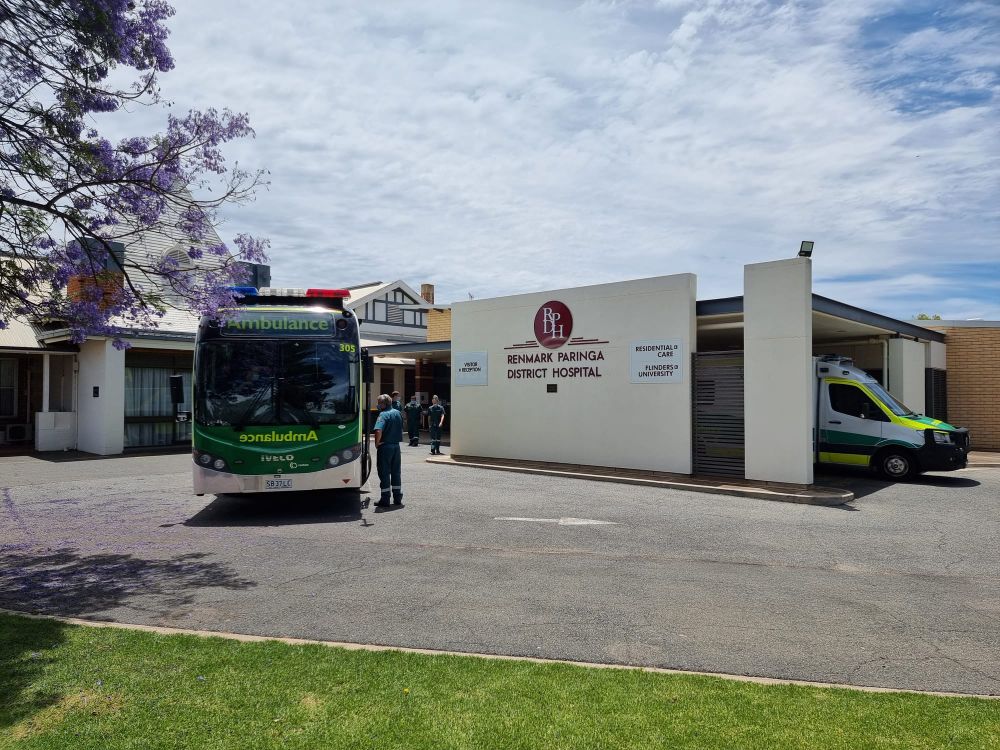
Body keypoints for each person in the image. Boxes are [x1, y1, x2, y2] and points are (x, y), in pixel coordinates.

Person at [373, 393, 404, 507]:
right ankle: (397, 498)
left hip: (385, 447)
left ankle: (385, 499)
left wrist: (377, 443)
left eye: (379, 403)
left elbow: (378, 431)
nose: (378, 405)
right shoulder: (397, 413)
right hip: (396, 447)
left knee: (384, 473)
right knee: (396, 472)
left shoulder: (383, 415)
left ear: (383, 404)